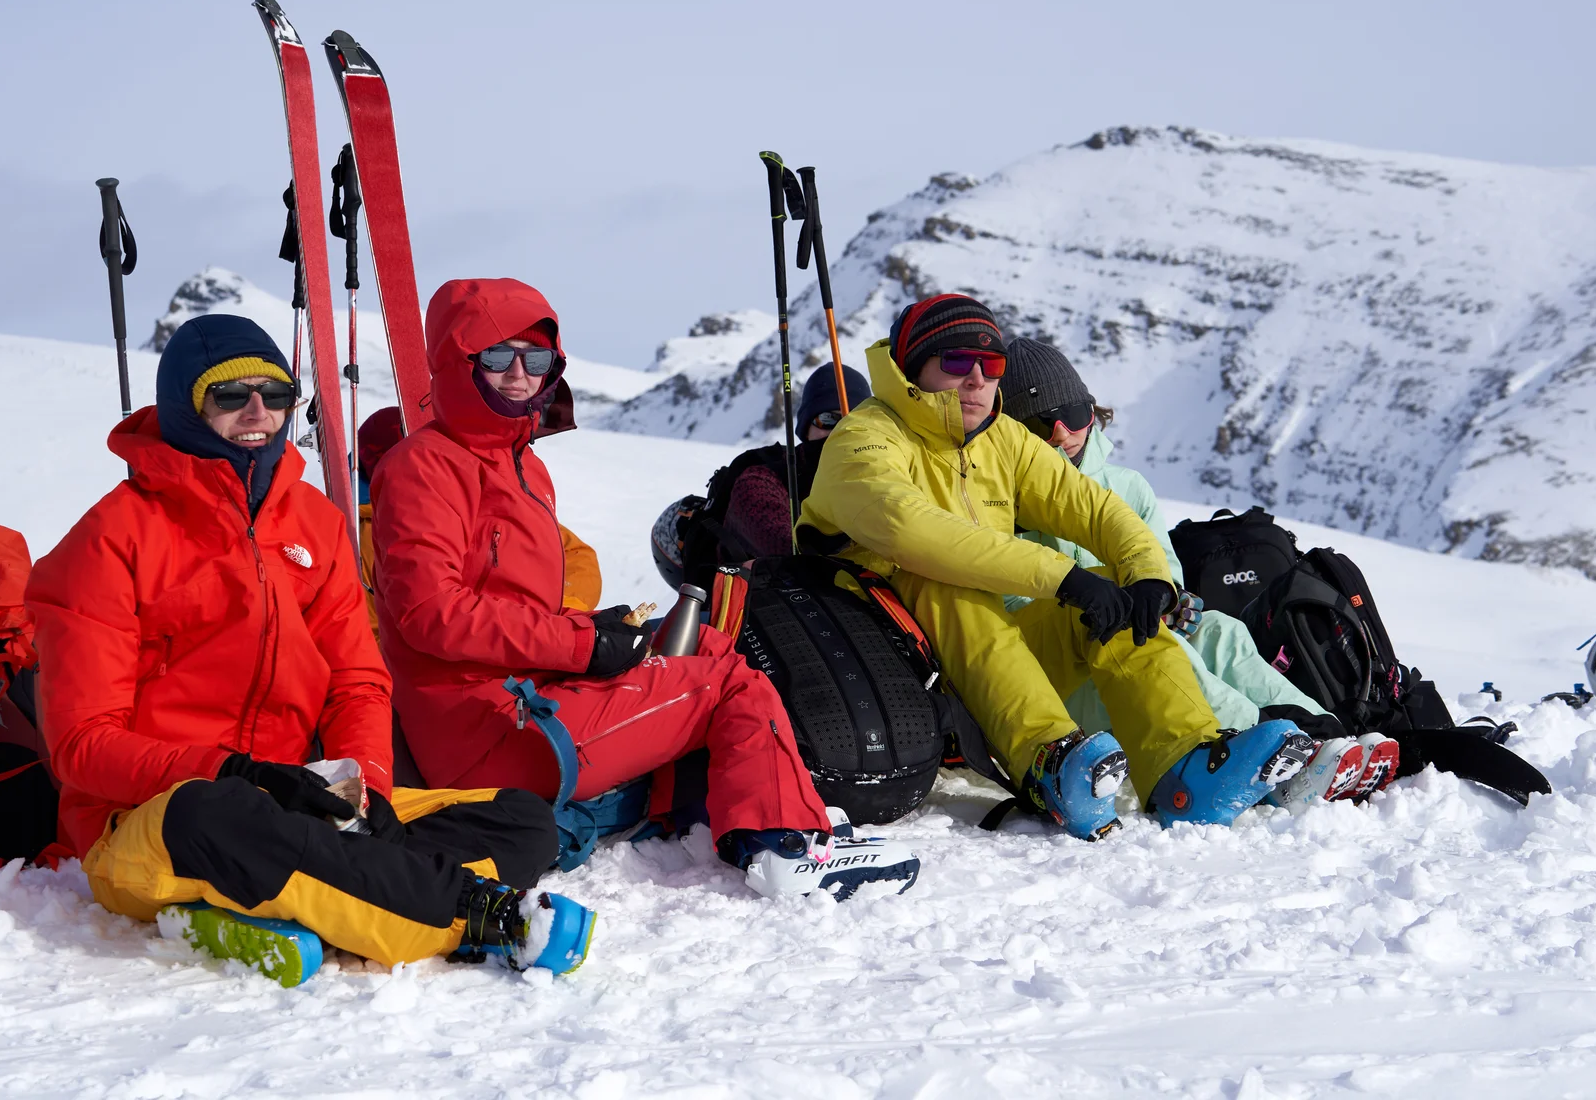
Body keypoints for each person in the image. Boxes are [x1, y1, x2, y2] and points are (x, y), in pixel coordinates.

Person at [26, 314, 594, 981]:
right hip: (150, 822)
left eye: (276, 394)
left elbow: (357, 680)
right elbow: (83, 745)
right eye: (230, 396)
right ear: (185, 406)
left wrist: (368, 789)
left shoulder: (314, 524)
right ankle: (471, 915)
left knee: (520, 820)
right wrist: (239, 775)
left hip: (299, 796)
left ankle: (316, 889)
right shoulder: (109, 540)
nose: (258, 413)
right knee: (218, 814)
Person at [368, 278, 921, 899]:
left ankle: (731, 812)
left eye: (537, 359)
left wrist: (594, 630)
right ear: (458, 361)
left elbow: (512, 604)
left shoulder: (521, 464)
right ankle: (784, 843)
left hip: (524, 696)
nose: (519, 375)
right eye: (497, 356)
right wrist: (583, 646)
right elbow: (431, 613)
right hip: (489, 730)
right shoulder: (424, 466)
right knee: (725, 683)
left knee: (706, 646)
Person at [798, 293, 1314, 838]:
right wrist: (1063, 577)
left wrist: (1147, 575)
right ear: (911, 366)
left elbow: (1095, 509)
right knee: (946, 583)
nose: (976, 379)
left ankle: (1185, 770)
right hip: (884, 680)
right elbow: (912, 531)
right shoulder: (864, 437)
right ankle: (1051, 759)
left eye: (991, 364)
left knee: (1115, 604)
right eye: (956, 361)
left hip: (983, 674)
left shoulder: (1003, 440)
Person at [997, 337, 1399, 806]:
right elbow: (1014, 608)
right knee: (1163, 648)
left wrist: (1173, 599)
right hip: (1070, 676)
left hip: (1132, 646)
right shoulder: (1005, 505)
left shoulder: (1125, 487)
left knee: (1221, 632)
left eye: (1074, 414)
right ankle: (1278, 755)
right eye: (1041, 424)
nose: (1064, 433)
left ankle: (1329, 736)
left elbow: (1164, 570)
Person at [359, 406, 603, 638]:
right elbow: (375, 635)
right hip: (467, 657)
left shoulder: (489, 498)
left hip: (525, 642)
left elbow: (577, 556)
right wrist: (538, 627)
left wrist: (554, 615)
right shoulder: (367, 538)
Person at [651, 363, 872, 589]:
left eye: (855, 422)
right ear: (806, 428)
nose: (841, 431)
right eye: (828, 418)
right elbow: (787, 549)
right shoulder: (759, 483)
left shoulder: (883, 473)